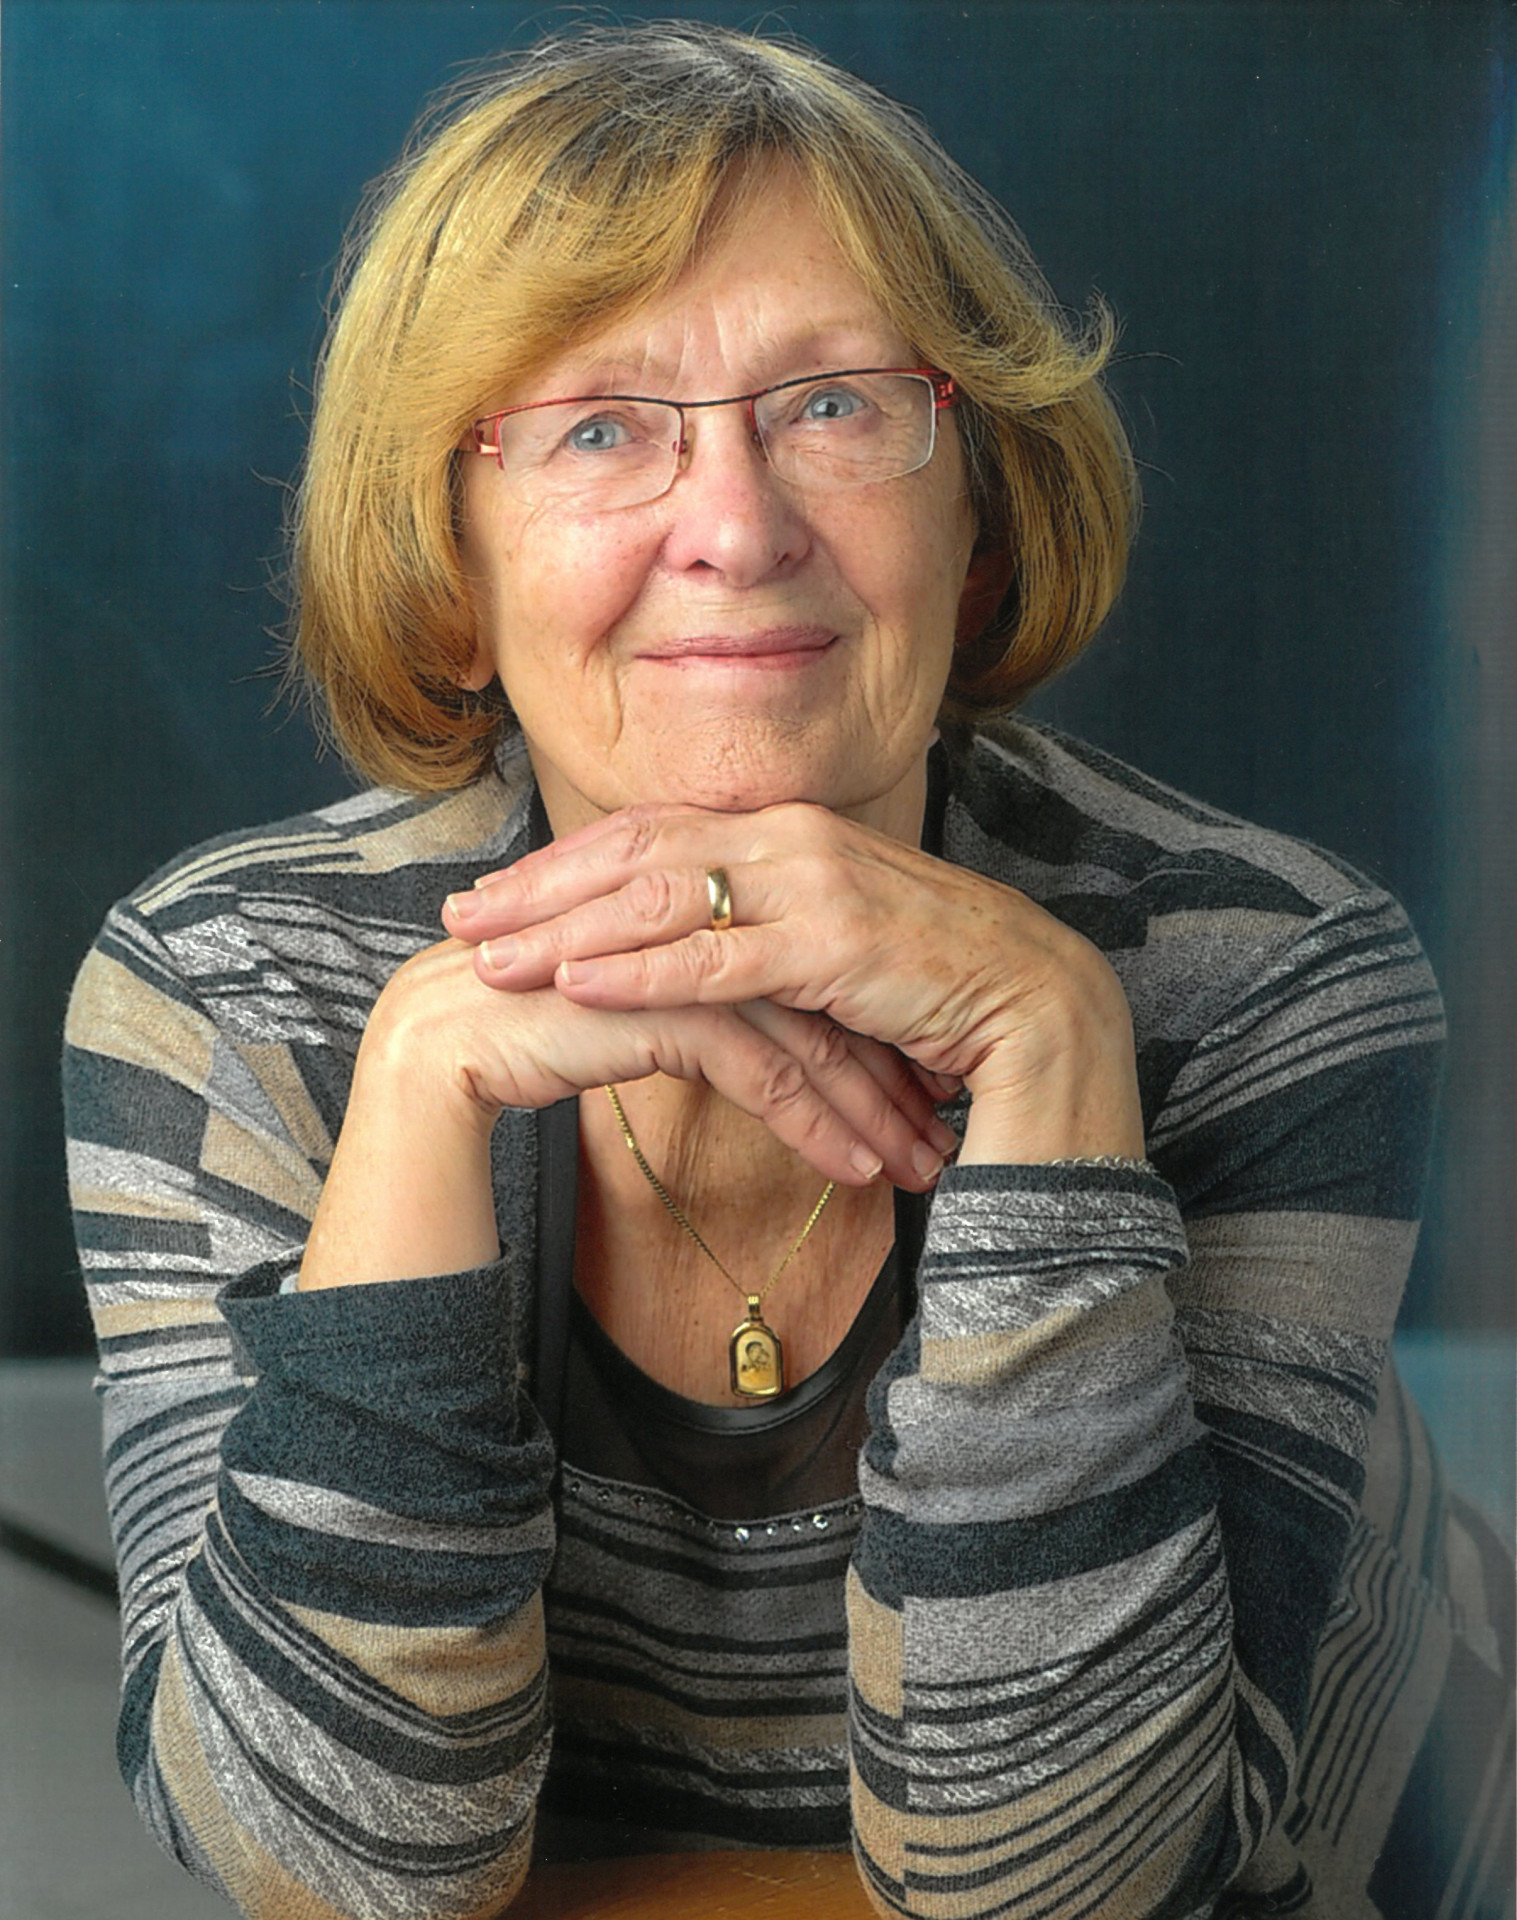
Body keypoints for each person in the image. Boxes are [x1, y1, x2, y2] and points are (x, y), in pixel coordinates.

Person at [62, 21, 1513, 1920]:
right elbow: (339, 1873)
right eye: (599, 428)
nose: (736, 531)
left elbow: (1057, 1888)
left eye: (834, 405)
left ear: (975, 524)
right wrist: (415, 1100)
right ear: (449, 567)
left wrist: (1054, 1049)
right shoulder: (231, 989)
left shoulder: (1265, 976)